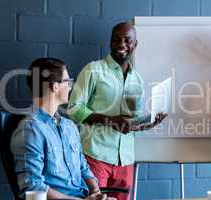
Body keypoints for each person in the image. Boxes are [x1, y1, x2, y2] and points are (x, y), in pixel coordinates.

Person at [68, 22, 167, 200]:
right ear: (110, 43)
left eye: (127, 40)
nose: (121, 45)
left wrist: (151, 121)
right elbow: (74, 108)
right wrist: (110, 121)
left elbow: (131, 121)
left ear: (135, 44)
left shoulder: (137, 79)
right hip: (95, 156)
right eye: (116, 40)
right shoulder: (93, 70)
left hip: (126, 161)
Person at [11, 58, 115, 200]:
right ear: (54, 86)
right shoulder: (31, 130)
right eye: (67, 81)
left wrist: (96, 192)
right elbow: (33, 190)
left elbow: (83, 168)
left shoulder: (69, 126)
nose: (70, 86)